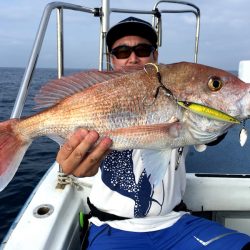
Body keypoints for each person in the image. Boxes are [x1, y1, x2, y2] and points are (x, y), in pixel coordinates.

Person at [56, 17, 250, 250]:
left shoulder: (176, 87)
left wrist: (236, 110)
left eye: (142, 49)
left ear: (155, 56)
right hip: (111, 228)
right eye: (122, 52)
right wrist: (73, 167)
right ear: (111, 59)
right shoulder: (93, 97)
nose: (133, 58)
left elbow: (211, 131)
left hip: (177, 223)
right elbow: (71, 162)